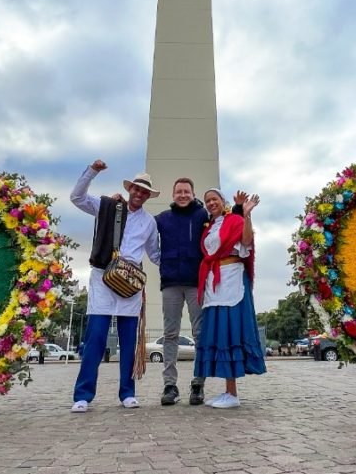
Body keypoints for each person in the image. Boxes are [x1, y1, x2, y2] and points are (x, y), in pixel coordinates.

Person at [69, 160, 160, 412]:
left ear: (148, 196)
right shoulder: (108, 206)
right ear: (130, 189)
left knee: (129, 341)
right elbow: (76, 197)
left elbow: (155, 254)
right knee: (95, 337)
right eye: (137, 189)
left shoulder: (149, 223)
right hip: (103, 276)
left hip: (130, 282)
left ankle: (127, 392)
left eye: (144, 192)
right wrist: (92, 171)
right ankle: (83, 395)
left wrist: (182, 263)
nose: (139, 194)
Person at [153, 178, 242, 406]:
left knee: (199, 333)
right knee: (170, 334)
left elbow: (227, 220)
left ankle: (197, 384)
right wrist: (162, 263)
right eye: (178, 191)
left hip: (197, 283)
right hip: (171, 283)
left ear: (193, 194)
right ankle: (170, 385)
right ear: (173, 195)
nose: (182, 195)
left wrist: (241, 209)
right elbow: (146, 237)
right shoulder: (161, 219)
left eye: (187, 191)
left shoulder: (203, 216)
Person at [194, 189, 266, 409]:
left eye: (214, 199)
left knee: (230, 331)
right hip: (214, 282)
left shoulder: (234, 219)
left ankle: (232, 393)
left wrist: (247, 215)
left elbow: (246, 241)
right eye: (207, 201)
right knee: (219, 334)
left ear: (222, 201)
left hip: (231, 278)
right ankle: (228, 390)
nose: (211, 203)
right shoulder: (209, 228)